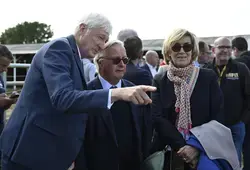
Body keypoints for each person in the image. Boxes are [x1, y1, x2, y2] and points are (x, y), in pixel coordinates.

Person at [0, 13, 156, 170]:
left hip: (44, 152)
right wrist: (117, 93)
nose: (102, 45)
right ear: (83, 29)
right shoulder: (59, 48)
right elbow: (63, 98)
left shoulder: (73, 56)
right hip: (29, 153)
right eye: (101, 38)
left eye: (105, 40)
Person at [151, 28, 225, 170]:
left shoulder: (207, 77)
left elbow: (218, 116)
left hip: (203, 151)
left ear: (193, 50)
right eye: (176, 46)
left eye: (187, 46)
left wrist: (194, 146)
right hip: (168, 152)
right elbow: (157, 117)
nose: (182, 51)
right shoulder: (160, 79)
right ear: (168, 51)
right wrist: (182, 146)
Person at [81, 40, 151, 170]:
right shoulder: (85, 94)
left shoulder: (134, 89)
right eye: (116, 60)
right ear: (100, 63)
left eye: (125, 60)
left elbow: (144, 133)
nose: (122, 64)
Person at [204, 37, 250, 166]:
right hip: (212, 127)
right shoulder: (206, 70)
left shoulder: (241, 69)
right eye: (221, 47)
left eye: (228, 47)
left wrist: (242, 120)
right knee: (215, 162)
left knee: (233, 162)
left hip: (235, 126)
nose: (225, 50)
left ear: (232, 50)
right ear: (214, 50)